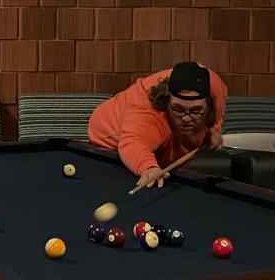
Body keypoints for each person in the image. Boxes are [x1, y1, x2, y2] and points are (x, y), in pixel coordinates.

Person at [89, 61, 228, 191]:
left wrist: (215, 129)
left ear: (209, 104)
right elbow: (132, 142)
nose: (186, 118)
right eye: (178, 109)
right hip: (108, 137)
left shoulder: (214, 86)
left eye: (196, 111)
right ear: (166, 102)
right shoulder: (149, 112)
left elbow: (217, 111)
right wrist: (148, 168)